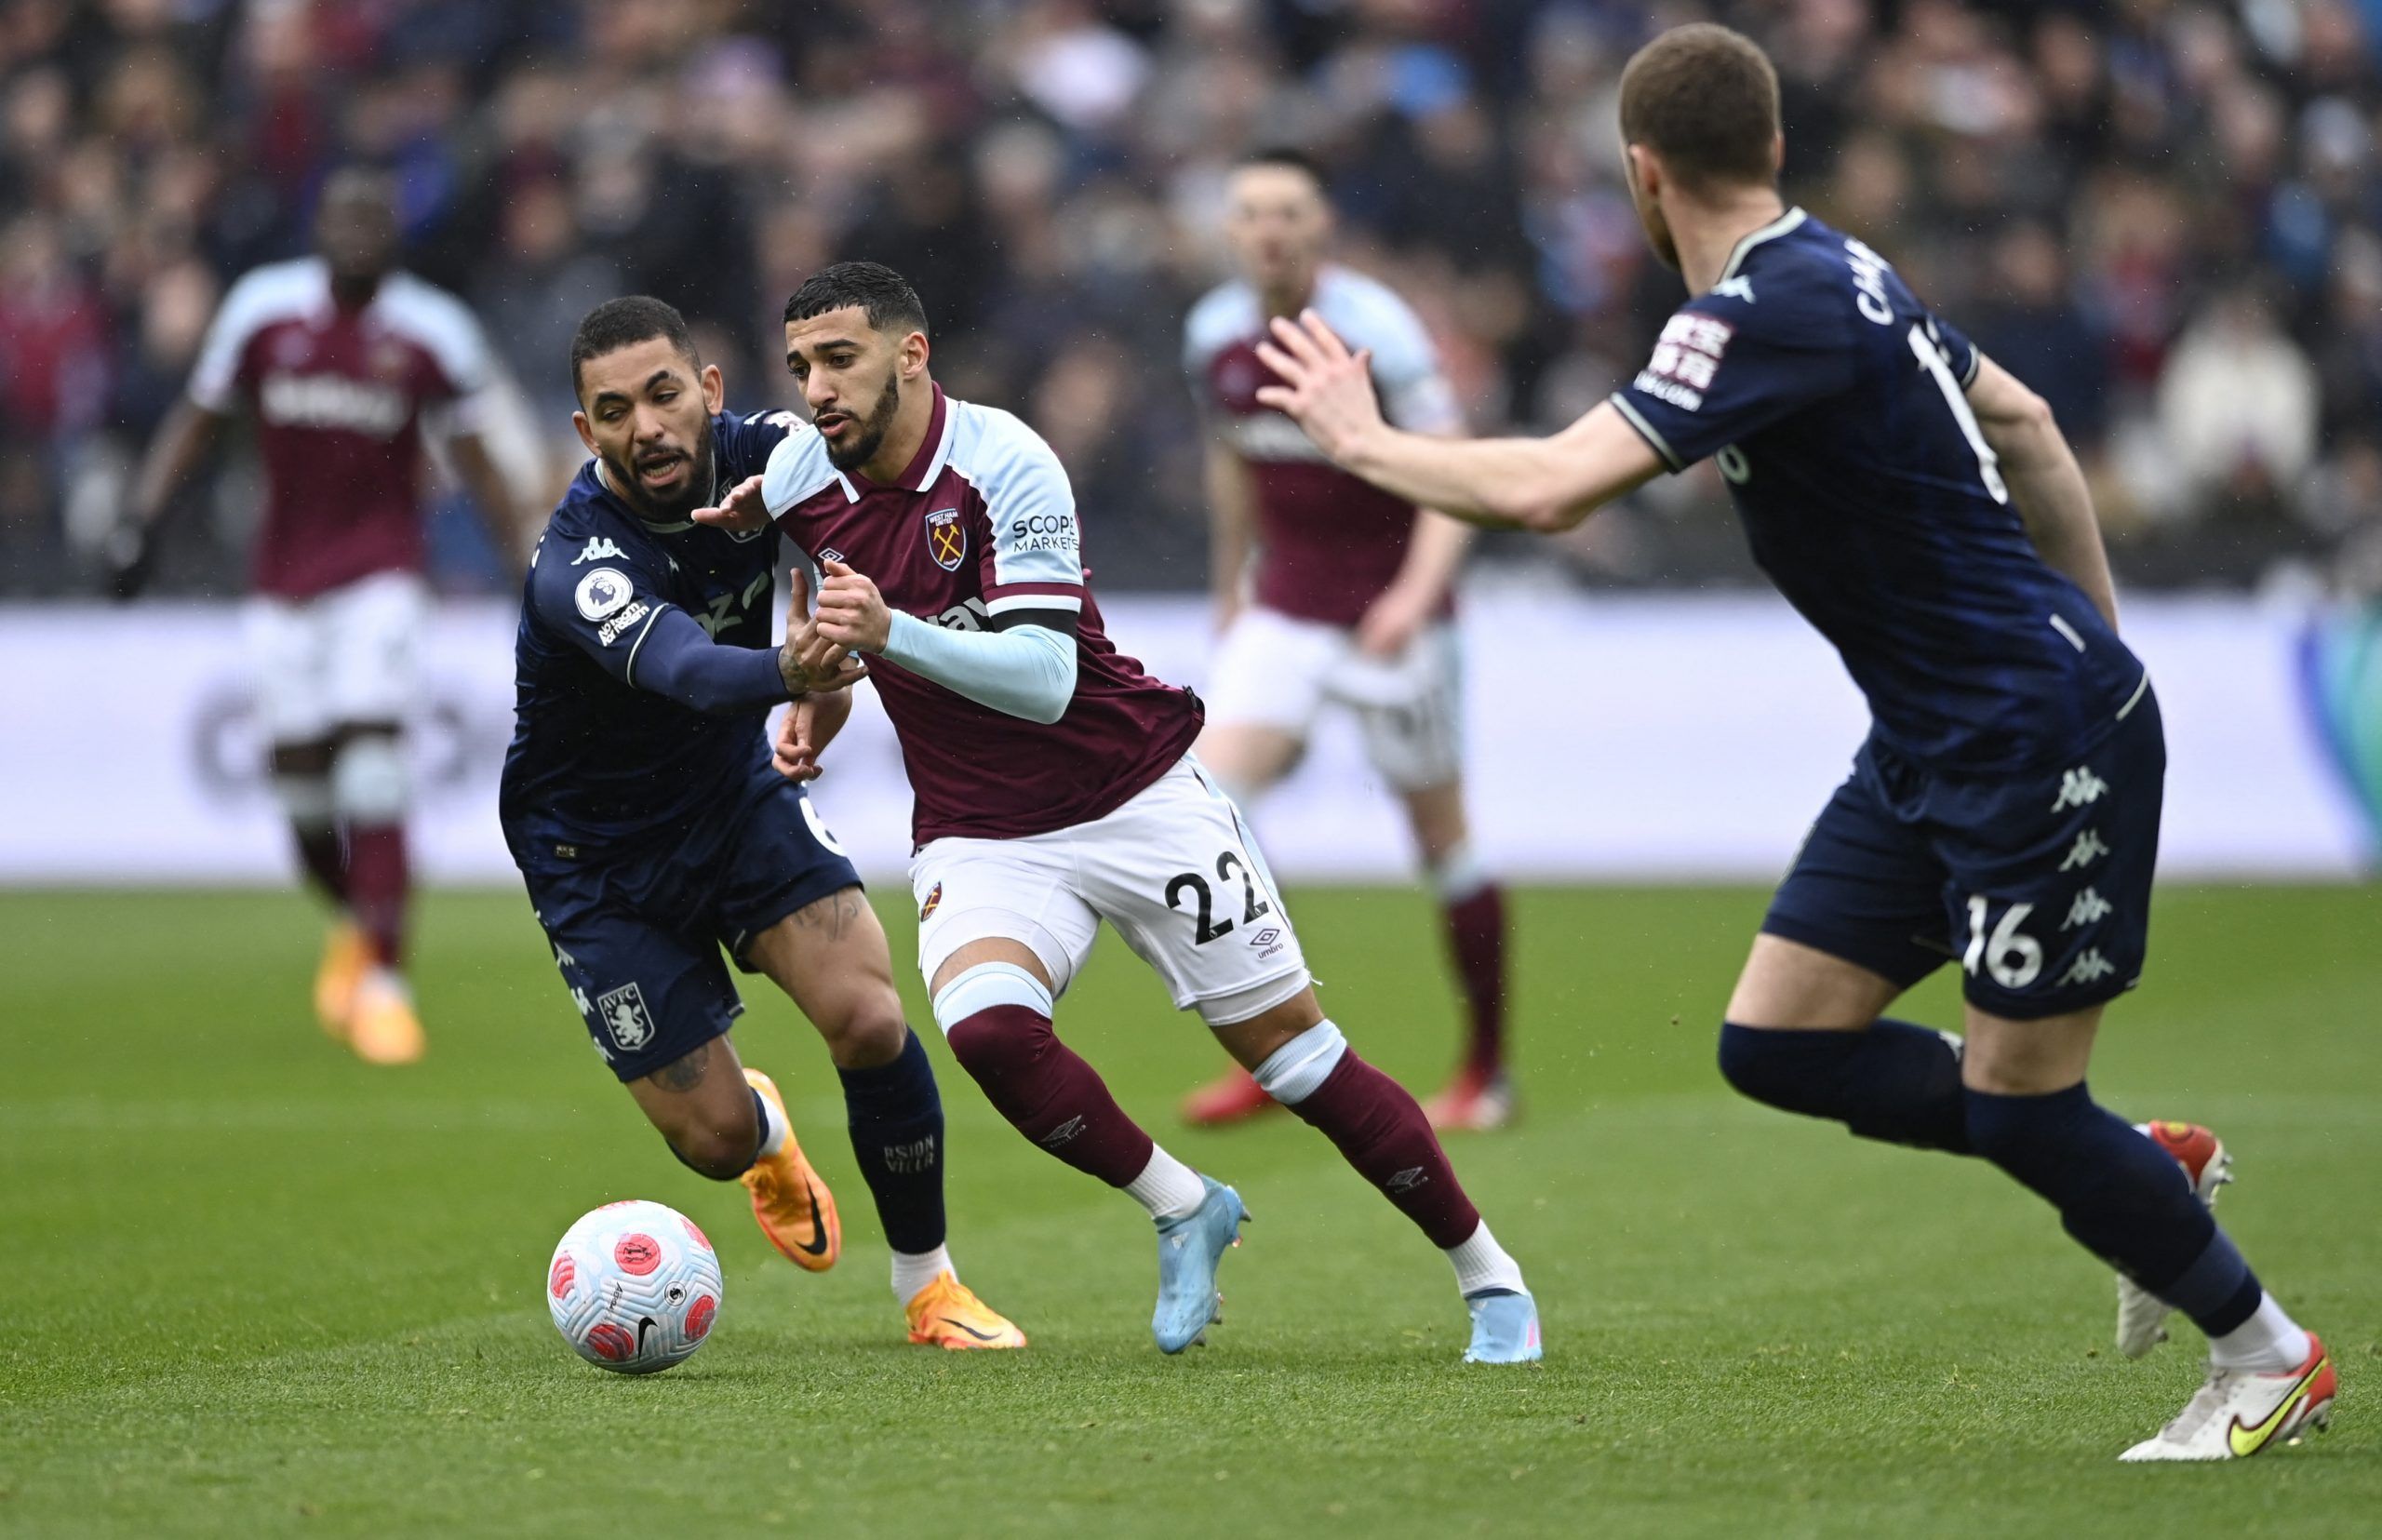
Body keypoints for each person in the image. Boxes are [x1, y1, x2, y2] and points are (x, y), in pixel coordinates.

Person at [1250, 23, 2333, 1462]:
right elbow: (2029, 422)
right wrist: (2099, 636)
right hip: (1943, 733)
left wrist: (1367, 443)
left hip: (2026, 738)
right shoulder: (1839, 269)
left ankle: (2267, 1351)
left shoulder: (1769, 307)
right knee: (1780, 1038)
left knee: (2022, 1108)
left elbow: (1561, 486)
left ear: (1642, 174)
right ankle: (2139, 1168)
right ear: (1769, 145)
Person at [694, 261, 1540, 1362]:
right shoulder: (802, 471)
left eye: (841, 360)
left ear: (913, 354)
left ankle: (1489, 1275)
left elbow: (1043, 677)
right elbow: (828, 618)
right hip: (980, 824)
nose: (816, 388)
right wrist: (821, 697)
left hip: (1131, 790)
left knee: (1298, 1060)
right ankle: (1184, 1201)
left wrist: (887, 634)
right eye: (800, 364)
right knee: (989, 1029)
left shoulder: (1007, 463)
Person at [500, 296, 1024, 1351]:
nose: (644, 427)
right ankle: (768, 1135)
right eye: (612, 411)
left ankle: (930, 1287)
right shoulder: (577, 562)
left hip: (731, 798)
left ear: (709, 390)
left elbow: (849, 552)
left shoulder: (779, 457)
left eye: (660, 395)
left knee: (871, 1016)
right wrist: (797, 668)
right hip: (594, 858)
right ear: (583, 431)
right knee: (711, 1137)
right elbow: (691, 672)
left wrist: (825, 670)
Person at [110, 167, 529, 1065]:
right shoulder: (263, 312)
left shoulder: (431, 330)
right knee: (303, 796)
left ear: (393, 234)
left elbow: (476, 455)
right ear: (318, 227)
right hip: (281, 584)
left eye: (374, 219)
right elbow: (197, 418)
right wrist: (140, 520)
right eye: (343, 218)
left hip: (381, 574)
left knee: (374, 766)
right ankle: (358, 924)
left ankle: (385, 983)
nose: (358, 233)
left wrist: (526, 566)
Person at [1179, 148, 1512, 1132]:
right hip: (1284, 602)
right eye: (1250, 213)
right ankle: (1277, 1050)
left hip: (1388, 611)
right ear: (1229, 230)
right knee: (1208, 811)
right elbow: (1232, 460)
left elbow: (1451, 467)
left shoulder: (1376, 331)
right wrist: (1229, 583)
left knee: (1439, 841)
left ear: (1322, 227)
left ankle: (1486, 1072)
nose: (1268, 229)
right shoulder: (1213, 333)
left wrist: (1416, 590)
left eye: (1288, 211)